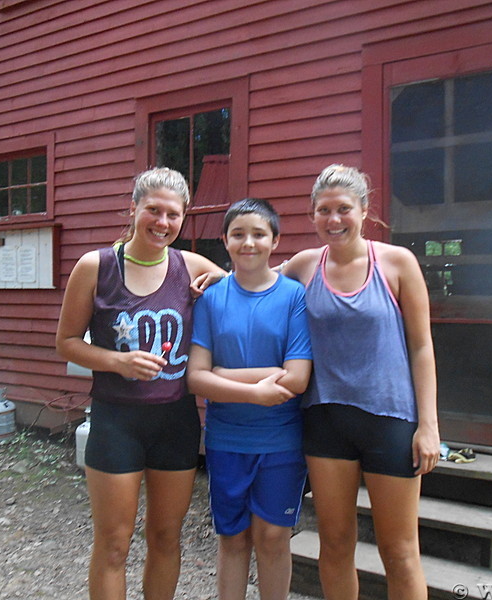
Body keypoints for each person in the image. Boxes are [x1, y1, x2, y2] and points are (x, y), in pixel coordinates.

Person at [55, 167, 224, 600]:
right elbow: (67, 343)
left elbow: (253, 282)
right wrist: (117, 361)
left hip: (177, 421)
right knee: (113, 545)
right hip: (117, 422)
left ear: (184, 218)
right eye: (153, 210)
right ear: (133, 209)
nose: (162, 223)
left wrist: (223, 280)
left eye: (173, 214)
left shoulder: (193, 266)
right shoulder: (96, 267)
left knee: (166, 539)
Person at [282, 164, 440, 600]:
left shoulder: (396, 263)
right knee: (334, 544)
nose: (334, 220)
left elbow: (422, 347)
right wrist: (205, 277)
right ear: (312, 215)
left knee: (400, 550)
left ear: (364, 211)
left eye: (344, 209)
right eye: (324, 210)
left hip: (390, 422)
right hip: (325, 420)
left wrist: (429, 426)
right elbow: (253, 285)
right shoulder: (304, 265)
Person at [186, 198, 313, 600]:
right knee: (233, 538)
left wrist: (222, 375)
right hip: (227, 439)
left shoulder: (294, 296)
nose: (249, 243)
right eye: (238, 234)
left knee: (274, 536)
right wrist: (255, 390)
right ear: (224, 240)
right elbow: (195, 378)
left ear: (275, 240)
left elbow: (296, 377)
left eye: (259, 234)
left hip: (281, 440)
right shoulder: (211, 299)